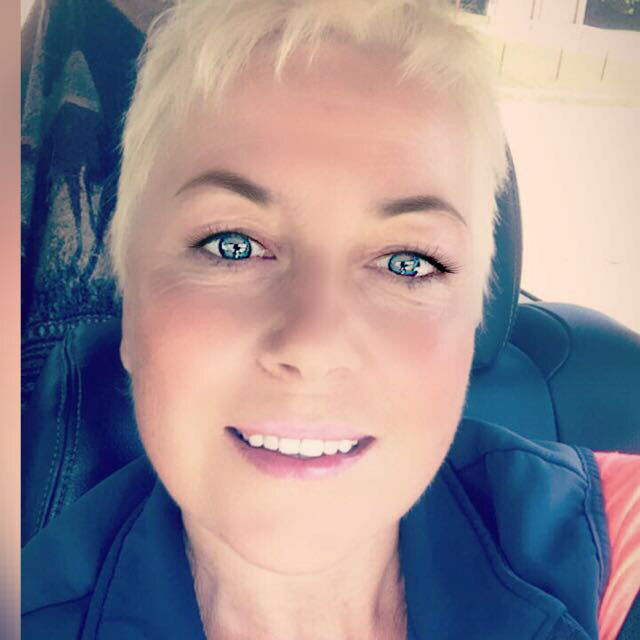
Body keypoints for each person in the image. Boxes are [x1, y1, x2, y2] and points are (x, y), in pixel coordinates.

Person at [21, 1, 640, 639]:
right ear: (131, 305)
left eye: (406, 262)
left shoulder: (608, 555)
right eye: (232, 244)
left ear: (472, 320)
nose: (313, 344)